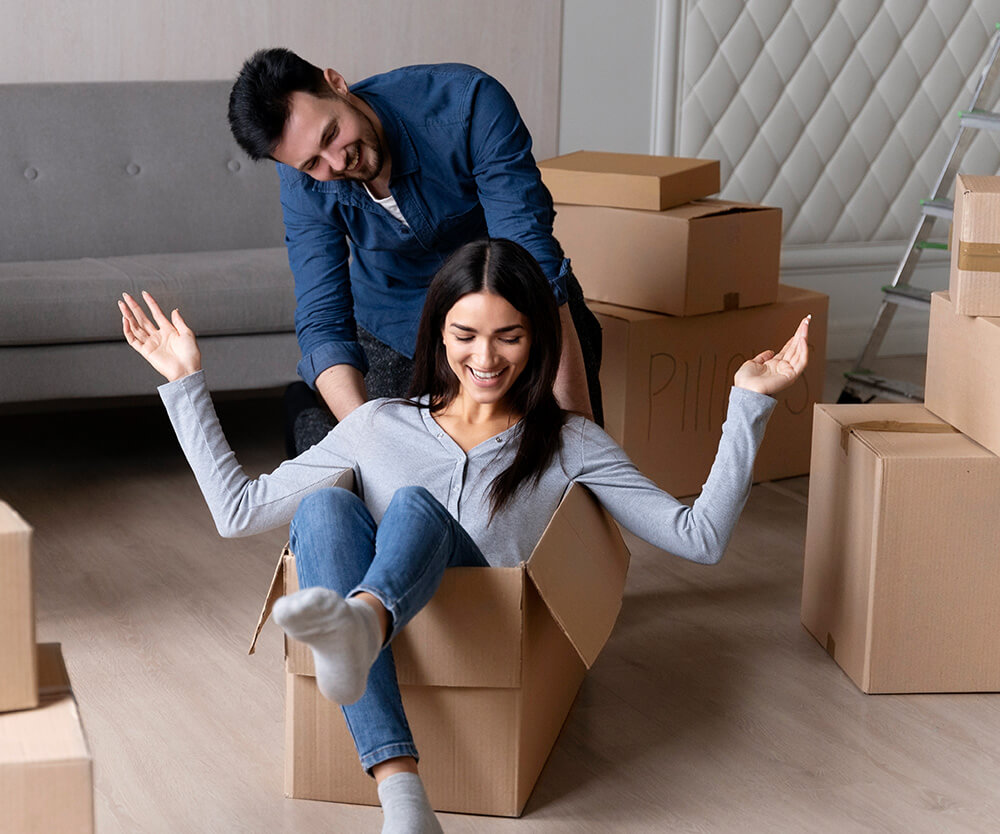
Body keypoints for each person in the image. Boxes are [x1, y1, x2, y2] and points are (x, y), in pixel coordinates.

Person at [118, 238, 809, 834]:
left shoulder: (571, 442)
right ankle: (405, 796)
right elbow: (238, 511)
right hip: (386, 620)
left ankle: (360, 626)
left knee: (415, 507)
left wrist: (750, 402)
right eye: (465, 334)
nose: (485, 357)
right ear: (438, 336)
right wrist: (186, 382)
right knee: (323, 513)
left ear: (536, 336)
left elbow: (700, 537)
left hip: (483, 616)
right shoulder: (378, 423)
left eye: (508, 335)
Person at [227, 48, 603, 457]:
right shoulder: (301, 182)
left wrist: (581, 441)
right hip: (396, 323)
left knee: (544, 450)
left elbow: (533, 261)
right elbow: (323, 316)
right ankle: (307, 417)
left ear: (337, 84)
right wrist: (368, 445)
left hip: (507, 305)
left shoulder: (468, 103)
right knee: (399, 465)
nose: (337, 162)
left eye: (331, 134)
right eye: (312, 162)